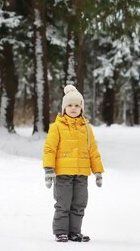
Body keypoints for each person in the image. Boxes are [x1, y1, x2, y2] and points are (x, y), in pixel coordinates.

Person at [42, 84, 104, 243]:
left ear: (82, 108)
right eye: (69, 105)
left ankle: (75, 232)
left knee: (79, 203)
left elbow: (93, 151)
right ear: (64, 108)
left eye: (77, 105)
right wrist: (49, 169)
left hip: (82, 174)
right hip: (63, 174)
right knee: (63, 203)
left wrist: (98, 172)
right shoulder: (56, 127)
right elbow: (50, 149)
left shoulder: (87, 128)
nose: (73, 108)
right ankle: (61, 232)